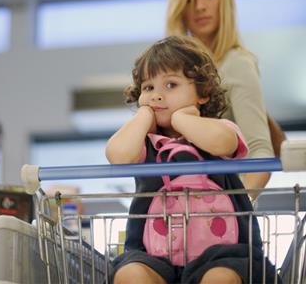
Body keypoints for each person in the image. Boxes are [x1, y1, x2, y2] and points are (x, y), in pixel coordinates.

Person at [106, 36, 277, 283]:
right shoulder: (144, 144)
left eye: (171, 85)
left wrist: (180, 119)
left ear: (203, 93)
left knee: (221, 278)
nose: (156, 96)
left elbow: (223, 142)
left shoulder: (219, 129)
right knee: (129, 274)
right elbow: (118, 156)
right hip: (154, 259)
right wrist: (143, 115)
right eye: (148, 88)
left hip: (221, 256)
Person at [165, 0, 276, 193]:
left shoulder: (236, 63)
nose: (200, 6)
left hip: (222, 214)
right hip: (179, 212)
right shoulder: (170, 72)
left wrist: (235, 209)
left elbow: (260, 152)